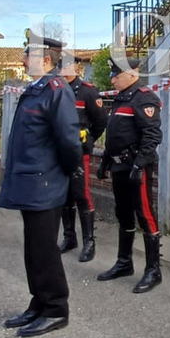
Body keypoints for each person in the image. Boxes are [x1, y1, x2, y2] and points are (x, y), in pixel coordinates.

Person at [0, 32, 82, 337]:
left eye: (27, 55)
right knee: (33, 248)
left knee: (44, 248)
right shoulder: (35, 88)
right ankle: (39, 302)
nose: (22, 60)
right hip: (29, 180)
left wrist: (67, 172)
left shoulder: (57, 90)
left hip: (45, 181)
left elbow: (69, 141)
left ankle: (56, 308)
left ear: (46, 60)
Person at [95, 56, 163, 294]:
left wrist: (139, 164)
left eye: (116, 75)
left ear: (132, 74)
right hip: (119, 167)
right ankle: (124, 262)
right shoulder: (120, 99)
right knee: (123, 214)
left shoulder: (143, 97)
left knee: (145, 215)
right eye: (112, 75)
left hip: (137, 167)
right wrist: (104, 162)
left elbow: (152, 135)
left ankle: (153, 270)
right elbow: (114, 135)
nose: (112, 79)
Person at [57, 52, 108, 261]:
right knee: (63, 196)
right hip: (59, 152)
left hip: (79, 153)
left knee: (82, 195)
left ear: (77, 69)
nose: (64, 72)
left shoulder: (87, 92)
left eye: (68, 68)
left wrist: (88, 141)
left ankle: (89, 241)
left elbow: (100, 121)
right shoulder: (57, 90)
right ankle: (70, 237)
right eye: (61, 68)